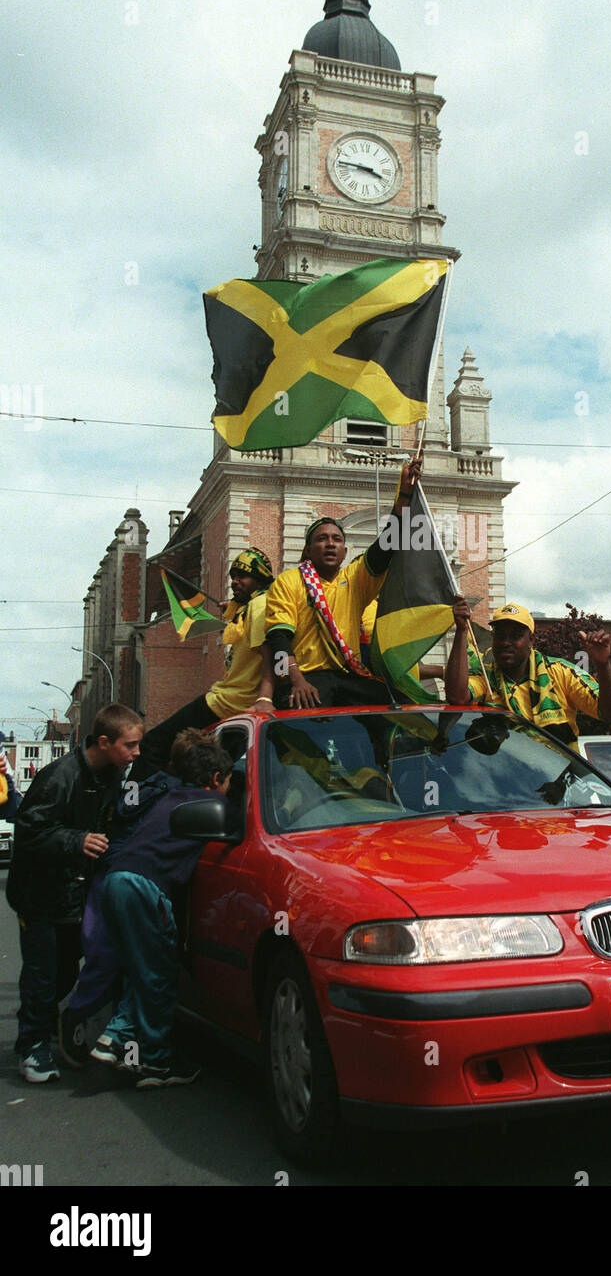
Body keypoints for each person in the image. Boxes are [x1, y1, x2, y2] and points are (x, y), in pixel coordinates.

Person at [6, 704, 143, 1083]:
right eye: (130, 745)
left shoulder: (112, 775)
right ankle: (31, 1047)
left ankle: (51, 1032)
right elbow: (29, 832)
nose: (136, 753)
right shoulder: (59, 777)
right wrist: (76, 840)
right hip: (39, 898)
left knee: (66, 971)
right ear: (104, 742)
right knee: (42, 974)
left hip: (74, 897)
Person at [91, 731, 233, 1088]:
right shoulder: (209, 805)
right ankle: (152, 1060)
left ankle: (116, 1042)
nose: (229, 790)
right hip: (143, 887)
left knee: (142, 969)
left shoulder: (170, 796)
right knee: (158, 975)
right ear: (216, 779)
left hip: (116, 880)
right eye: (229, 782)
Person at [259, 454, 423, 710]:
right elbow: (278, 640)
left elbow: (388, 543)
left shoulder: (355, 578)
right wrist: (296, 680)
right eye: (322, 539)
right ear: (309, 550)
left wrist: (404, 494)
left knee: (401, 710)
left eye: (336, 539)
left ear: (345, 551)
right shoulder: (288, 581)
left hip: (349, 677)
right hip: (305, 678)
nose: (330, 543)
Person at [133, 548, 274, 779]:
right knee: (207, 768)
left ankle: (134, 807)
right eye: (233, 577)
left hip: (228, 701)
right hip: (231, 699)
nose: (235, 582)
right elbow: (239, 616)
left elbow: (267, 651)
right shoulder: (252, 605)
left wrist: (264, 699)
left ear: (259, 579)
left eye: (243, 576)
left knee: (152, 745)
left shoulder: (259, 607)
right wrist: (231, 606)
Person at [445, 598, 611, 746]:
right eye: (500, 636)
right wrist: (461, 631)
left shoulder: (561, 672)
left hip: (562, 778)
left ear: (531, 640)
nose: (506, 643)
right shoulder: (486, 676)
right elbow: (457, 697)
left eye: (515, 636)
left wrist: (603, 664)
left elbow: (610, 713)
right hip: (506, 778)